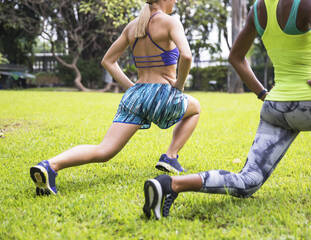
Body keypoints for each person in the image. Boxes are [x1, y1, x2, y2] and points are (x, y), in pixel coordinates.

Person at [143, 0, 311, 220]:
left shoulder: (259, 8)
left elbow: (235, 56)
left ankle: (170, 184)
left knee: (248, 180)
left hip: (276, 109)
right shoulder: (310, 2)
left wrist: (262, 93)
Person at [30, 0, 201, 195]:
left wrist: (131, 89)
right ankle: (170, 156)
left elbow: (108, 61)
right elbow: (186, 56)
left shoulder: (133, 26)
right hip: (161, 95)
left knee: (104, 150)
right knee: (194, 108)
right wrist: (178, 86)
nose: (176, 1)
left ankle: (50, 166)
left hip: (135, 97)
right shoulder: (171, 22)